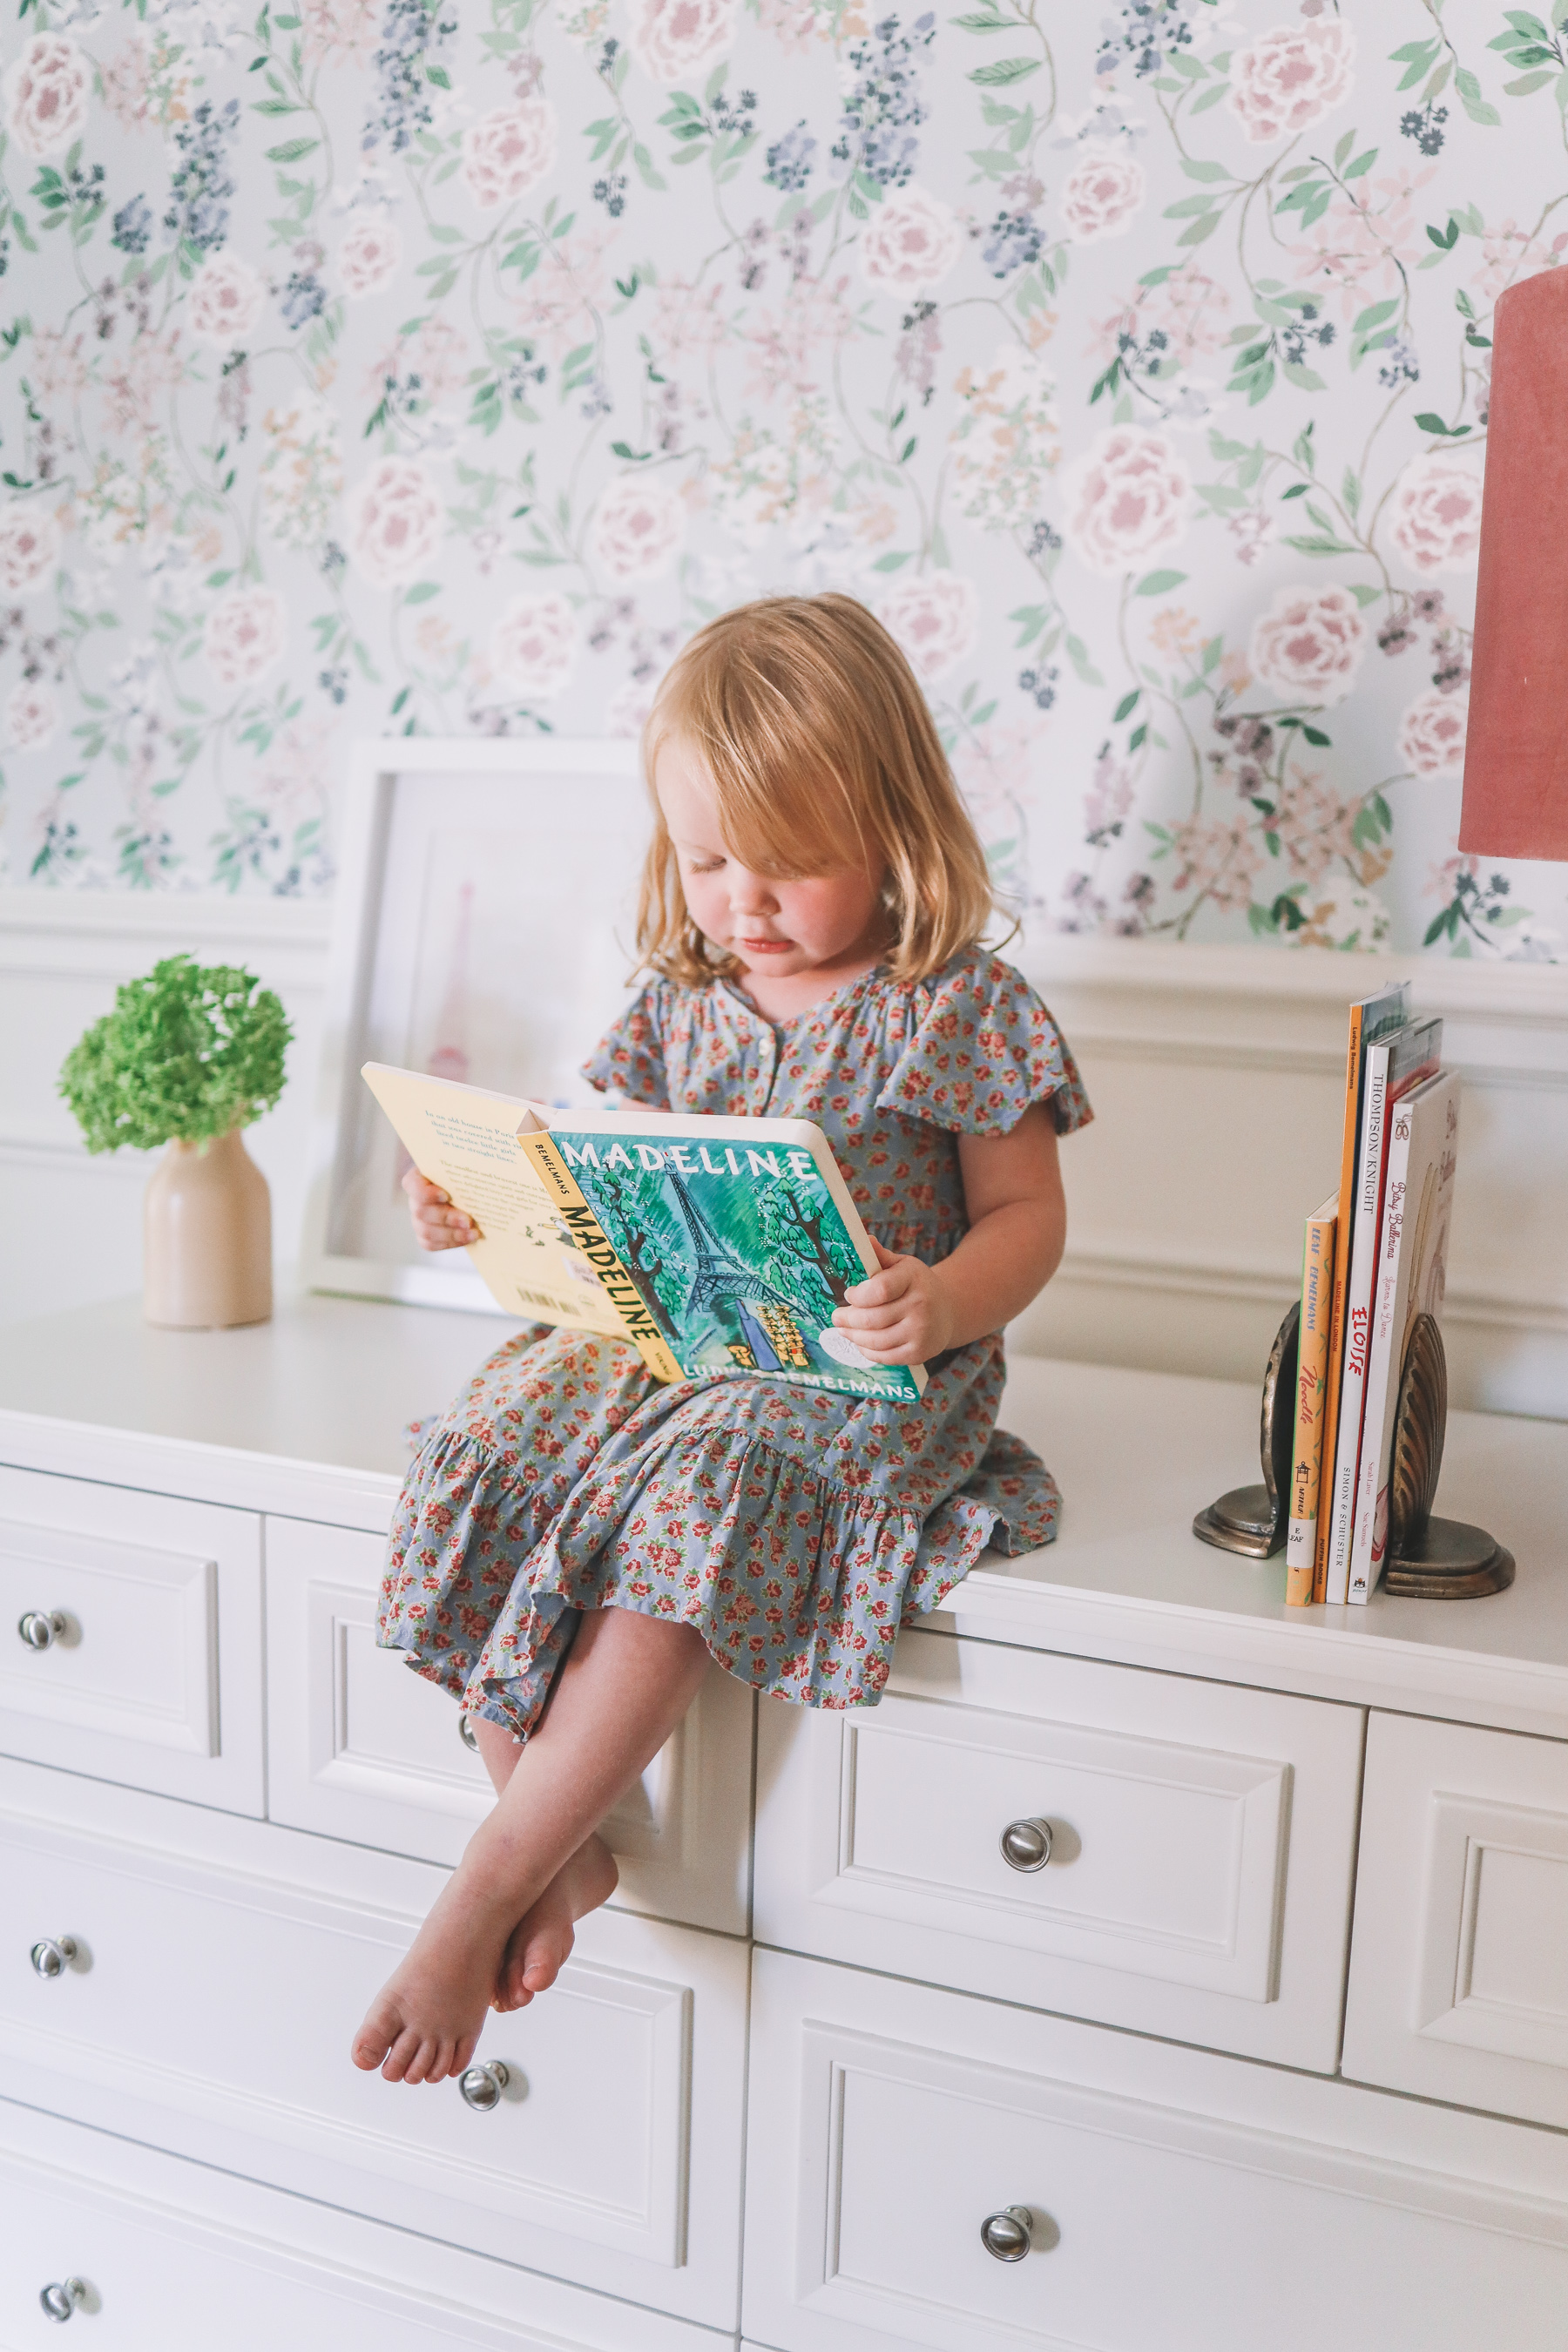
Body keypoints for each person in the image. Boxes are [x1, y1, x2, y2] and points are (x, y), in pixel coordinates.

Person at [351, 591, 1092, 2087]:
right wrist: (480, 1217)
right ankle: (555, 1847)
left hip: (852, 1369)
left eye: (790, 862)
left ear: (893, 829)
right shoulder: (680, 999)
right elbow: (605, 1204)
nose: (742, 900)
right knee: (480, 1453)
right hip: (671, 1343)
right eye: (705, 860)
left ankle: (488, 1882)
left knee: (703, 1501)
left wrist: (943, 1298)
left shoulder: (953, 1005)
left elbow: (1027, 1216)